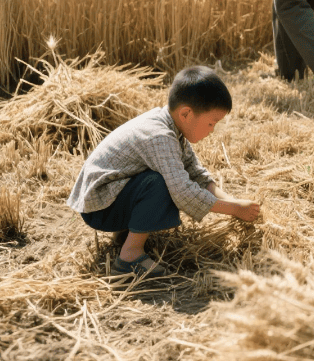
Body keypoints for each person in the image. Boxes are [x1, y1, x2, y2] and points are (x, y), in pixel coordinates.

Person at [66, 66, 261, 277]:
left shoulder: (171, 127)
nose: (212, 130)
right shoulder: (159, 136)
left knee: (165, 177)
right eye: (211, 123)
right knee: (160, 183)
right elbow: (183, 191)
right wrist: (234, 209)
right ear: (186, 114)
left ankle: (125, 235)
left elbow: (196, 173)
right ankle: (129, 256)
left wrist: (234, 202)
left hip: (109, 198)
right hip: (99, 207)